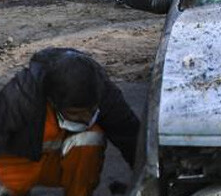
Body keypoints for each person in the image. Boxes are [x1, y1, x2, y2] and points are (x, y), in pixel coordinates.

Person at [0, 48, 140, 196]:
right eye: (75, 113)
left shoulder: (105, 94)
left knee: (91, 137)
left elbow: (131, 138)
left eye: (90, 110)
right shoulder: (18, 99)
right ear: (53, 102)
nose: (86, 119)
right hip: (17, 165)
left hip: (56, 164)